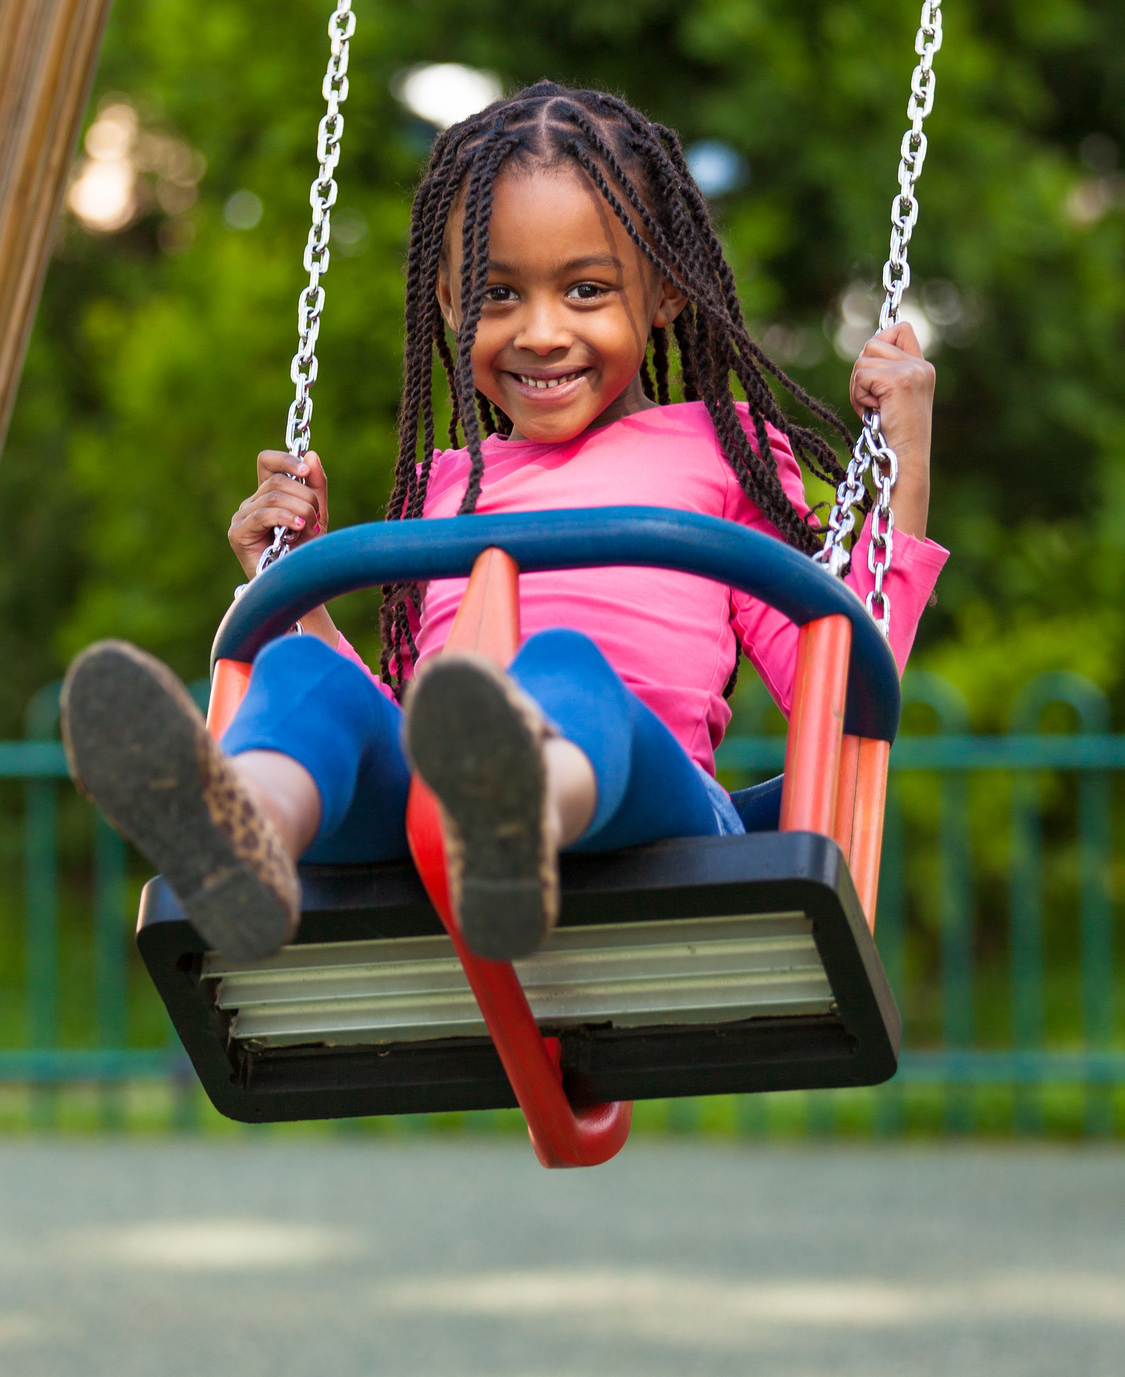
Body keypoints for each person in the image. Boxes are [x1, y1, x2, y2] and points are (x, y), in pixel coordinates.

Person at [62, 83, 946, 966]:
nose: (541, 332)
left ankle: (517, 813)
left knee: (559, 670)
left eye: (586, 290)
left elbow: (837, 680)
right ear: (450, 303)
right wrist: (301, 598)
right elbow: (410, 728)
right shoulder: (449, 487)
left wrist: (902, 462)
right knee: (302, 675)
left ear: (668, 289)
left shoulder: (722, 451)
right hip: (441, 833)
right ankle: (240, 830)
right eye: (497, 295)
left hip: (663, 835)